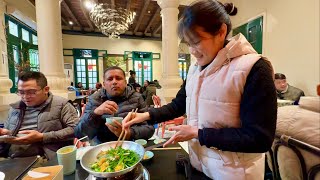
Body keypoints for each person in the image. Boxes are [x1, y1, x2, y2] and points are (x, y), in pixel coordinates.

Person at [122, 1, 277, 179]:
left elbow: (259, 139)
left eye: (196, 42)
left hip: (235, 174)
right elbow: (178, 104)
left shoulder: (254, 68)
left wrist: (198, 134)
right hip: (200, 166)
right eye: (187, 43)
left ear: (221, 32)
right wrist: (146, 115)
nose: (192, 51)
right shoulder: (195, 69)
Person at [0, 71, 79, 159]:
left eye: (31, 92)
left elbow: (76, 129)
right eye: (21, 92)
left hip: (46, 159)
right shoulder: (15, 108)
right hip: (12, 158)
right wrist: (7, 133)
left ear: (46, 89)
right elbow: (10, 134)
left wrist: (42, 137)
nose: (25, 96)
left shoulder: (62, 105)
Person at [74, 66, 154, 145]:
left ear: (126, 83)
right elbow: (80, 134)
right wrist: (95, 113)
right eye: (110, 79)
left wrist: (129, 133)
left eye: (118, 78)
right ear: (104, 84)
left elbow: (149, 129)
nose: (114, 82)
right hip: (102, 147)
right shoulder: (95, 99)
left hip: (130, 145)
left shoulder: (136, 98)